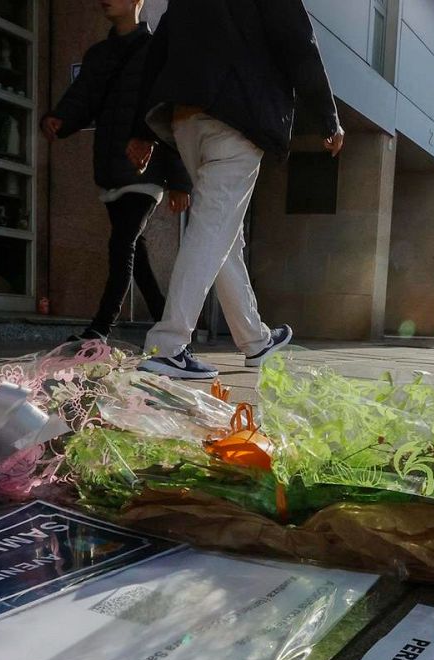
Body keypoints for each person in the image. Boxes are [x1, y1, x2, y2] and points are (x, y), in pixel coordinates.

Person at [125, 0, 344, 379]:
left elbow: (159, 49)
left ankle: (255, 339)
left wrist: (142, 130)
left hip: (186, 118)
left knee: (224, 232)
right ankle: (167, 346)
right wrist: (328, 117)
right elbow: (298, 42)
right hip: (237, 116)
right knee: (213, 227)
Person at [41, 0, 192, 342]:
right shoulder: (98, 55)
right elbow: (81, 100)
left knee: (120, 245)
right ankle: (165, 323)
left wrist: (179, 181)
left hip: (145, 169)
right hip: (110, 168)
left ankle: (99, 330)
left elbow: (170, 115)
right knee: (134, 253)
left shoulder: (157, 51)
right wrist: (58, 120)